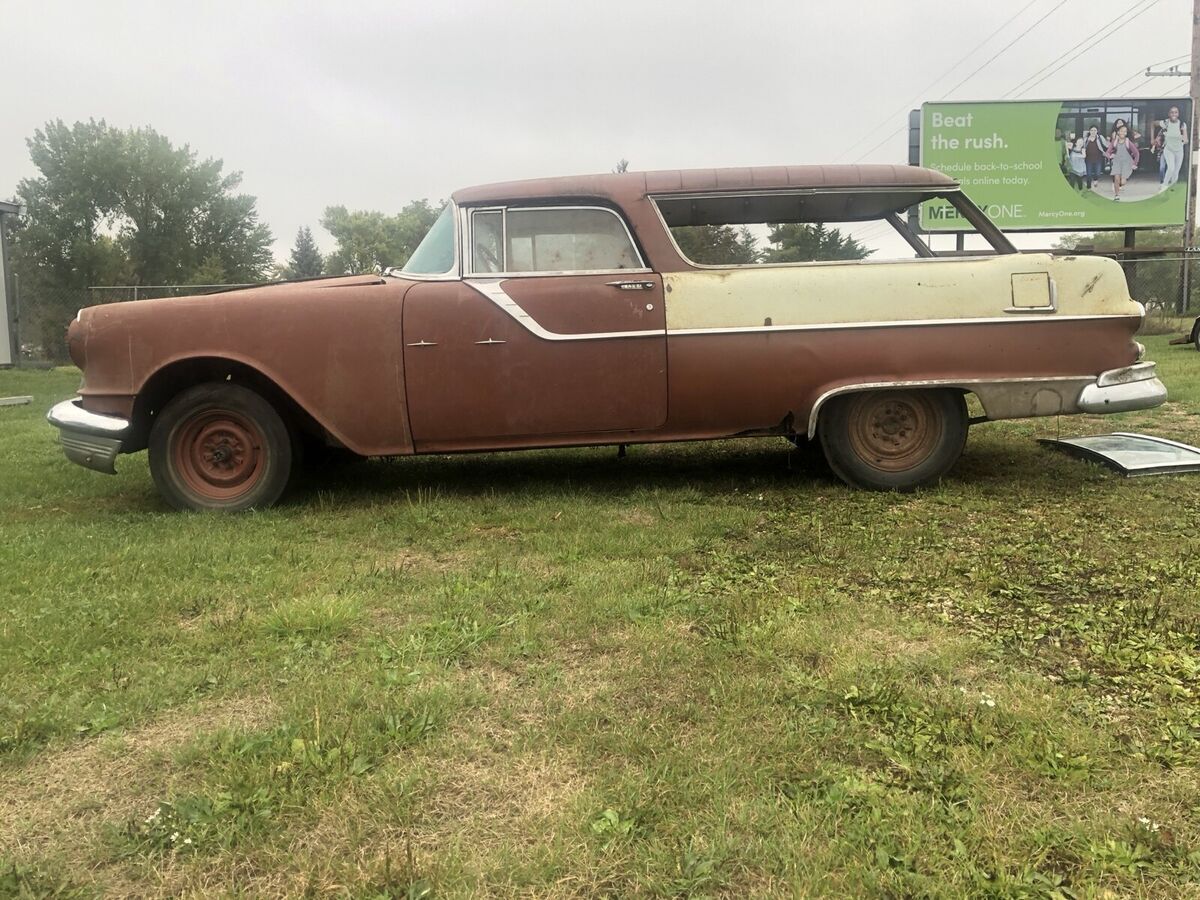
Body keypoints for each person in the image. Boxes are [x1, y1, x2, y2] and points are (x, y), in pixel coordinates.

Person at [1105, 124, 1140, 200]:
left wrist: (1135, 163)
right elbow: (1108, 152)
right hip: (1117, 162)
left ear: (1126, 133)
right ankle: (1117, 195)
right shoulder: (1114, 142)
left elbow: (1136, 153)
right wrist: (1109, 156)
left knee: (1122, 182)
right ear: (1118, 132)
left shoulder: (1128, 142)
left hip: (1127, 163)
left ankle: (1120, 184)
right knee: (1116, 179)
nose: (1123, 133)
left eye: (1125, 131)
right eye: (1121, 131)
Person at [1158, 105, 1188, 191]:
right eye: (1172, 112)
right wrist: (1153, 138)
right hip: (1169, 149)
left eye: (1176, 112)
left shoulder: (1182, 124)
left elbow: (1185, 140)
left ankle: (1172, 188)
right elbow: (1153, 123)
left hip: (1179, 150)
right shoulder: (1165, 123)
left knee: (1176, 172)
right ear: (1169, 114)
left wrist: (1183, 132)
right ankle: (1164, 185)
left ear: (1178, 114)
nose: (1174, 114)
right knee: (1171, 168)